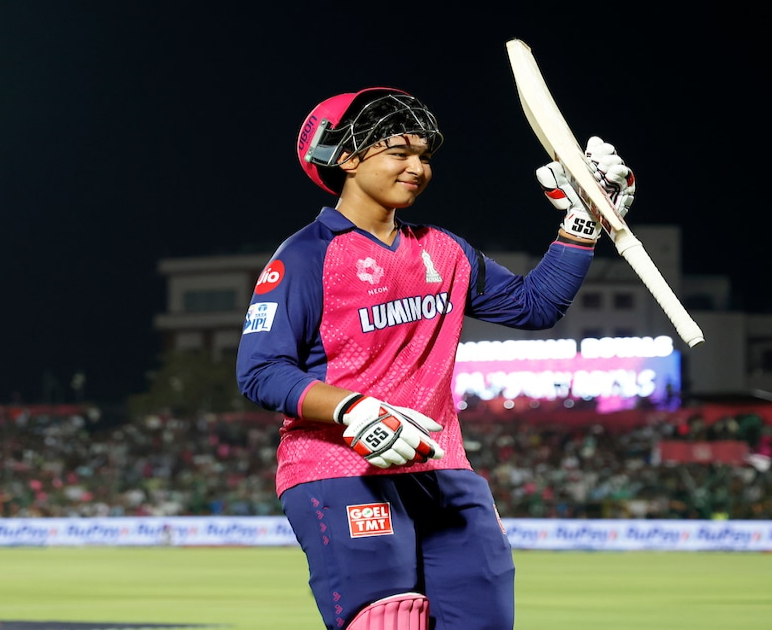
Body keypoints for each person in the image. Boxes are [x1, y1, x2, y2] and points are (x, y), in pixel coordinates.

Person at [236, 87, 634, 629]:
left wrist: (582, 223)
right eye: (399, 152)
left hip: (442, 465)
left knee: (483, 621)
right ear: (346, 157)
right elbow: (260, 371)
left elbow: (535, 306)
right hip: (341, 467)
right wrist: (355, 409)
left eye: (423, 156)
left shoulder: (443, 249)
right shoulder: (306, 255)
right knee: (389, 620)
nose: (417, 168)